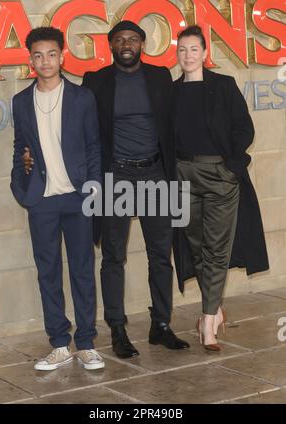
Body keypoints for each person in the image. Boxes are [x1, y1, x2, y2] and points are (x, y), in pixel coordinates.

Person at [82, 20, 189, 358]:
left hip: (156, 175)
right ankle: (117, 328)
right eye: (119, 40)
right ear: (110, 45)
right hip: (116, 178)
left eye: (132, 39)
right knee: (113, 256)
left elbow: (174, 126)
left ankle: (161, 325)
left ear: (142, 44)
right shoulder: (96, 81)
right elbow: (86, 131)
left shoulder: (159, 77)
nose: (126, 44)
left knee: (162, 254)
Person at [10, 27, 104, 371]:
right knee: (47, 272)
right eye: (38, 55)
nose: (45, 61)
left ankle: (87, 343)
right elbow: (20, 146)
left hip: (78, 197)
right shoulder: (21, 101)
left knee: (82, 270)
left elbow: (94, 146)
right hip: (42, 200)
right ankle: (60, 344)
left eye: (51, 54)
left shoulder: (82, 98)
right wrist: (21, 186)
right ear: (30, 59)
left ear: (62, 56)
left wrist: (94, 187)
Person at [172, 25, 269, 351]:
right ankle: (212, 311)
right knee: (197, 248)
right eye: (182, 50)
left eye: (194, 50)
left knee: (216, 249)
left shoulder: (223, 86)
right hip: (182, 177)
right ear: (178, 54)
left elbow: (244, 128)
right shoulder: (170, 93)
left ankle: (208, 324)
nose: (188, 56)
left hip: (219, 175)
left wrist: (231, 166)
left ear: (204, 53)